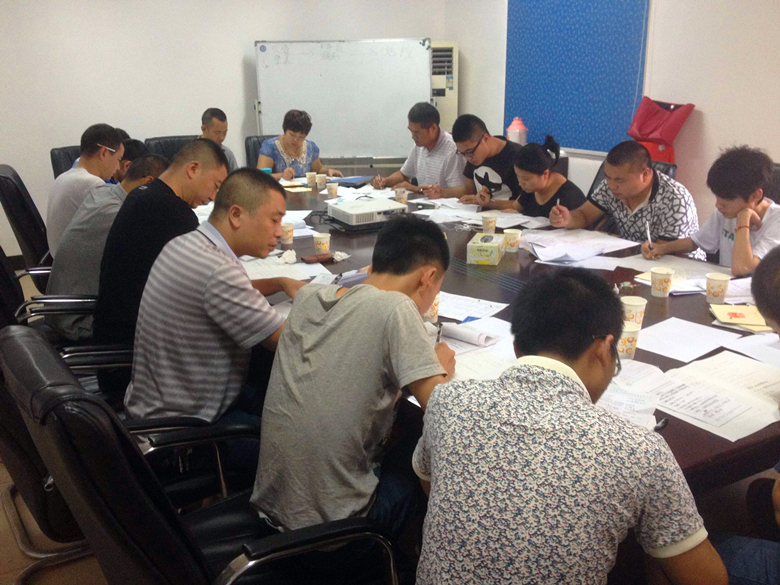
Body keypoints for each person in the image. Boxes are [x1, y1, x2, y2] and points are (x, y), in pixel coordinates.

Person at [413, 268, 728, 585]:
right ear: (603, 349)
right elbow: (708, 580)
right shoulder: (639, 451)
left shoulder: (447, 402)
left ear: (517, 348)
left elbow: (433, 485)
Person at [251, 215, 456, 547]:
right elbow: (447, 414)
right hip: (333, 538)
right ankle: (404, 560)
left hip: (270, 517)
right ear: (428, 277)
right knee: (416, 449)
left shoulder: (310, 297)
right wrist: (441, 369)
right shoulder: (397, 308)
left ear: (372, 267)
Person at [125, 169, 305, 466]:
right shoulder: (219, 271)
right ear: (236, 215)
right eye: (274, 220)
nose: (279, 231)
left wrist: (280, 282)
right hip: (186, 436)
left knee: (280, 394)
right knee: (305, 445)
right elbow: (286, 340)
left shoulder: (187, 244)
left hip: (157, 409)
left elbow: (221, 291)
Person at [93, 139, 228, 397]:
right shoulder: (173, 212)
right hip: (139, 361)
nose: (213, 197)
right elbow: (216, 286)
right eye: (215, 185)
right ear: (193, 169)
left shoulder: (143, 195)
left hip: (115, 339)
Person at [46, 154, 170, 340]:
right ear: (148, 183)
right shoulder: (121, 215)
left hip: (63, 308)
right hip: (80, 319)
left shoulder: (102, 194)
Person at [551, 141, 705, 259]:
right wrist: (568, 218)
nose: (612, 185)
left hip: (679, 270)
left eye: (620, 180)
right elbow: (585, 215)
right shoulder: (609, 186)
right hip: (631, 259)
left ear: (645, 174)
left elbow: (662, 251)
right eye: (608, 177)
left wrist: (618, 242)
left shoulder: (675, 199)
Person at [641, 146, 779, 276]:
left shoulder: (776, 221)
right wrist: (661, 248)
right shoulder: (725, 212)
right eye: (717, 198)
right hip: (725, 285)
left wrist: (743, 220)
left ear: (755, 196)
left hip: (756, 292)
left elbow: (742, 268)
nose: (718, 206)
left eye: (725, 201)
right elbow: (695, 242)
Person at [46, 123, 124, 256]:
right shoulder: (93, 184)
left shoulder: (62, 178)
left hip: (58, 260)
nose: (117, 168)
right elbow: (116, 228)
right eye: (118, 159)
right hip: (77, 263)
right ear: (104, 153)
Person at [473, 135, 585, 215]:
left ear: (545, 174)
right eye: (518, 177)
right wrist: (489, 203)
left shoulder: (569, 196)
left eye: (525, 179)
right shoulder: (530, 189)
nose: (520, 184)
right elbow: (515, 206)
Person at [372, 102, 464, 198]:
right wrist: (385, 181)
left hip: (444, 206)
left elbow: (459, 192)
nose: (413, 136)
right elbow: (403, 175)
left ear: (433, 128)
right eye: (411, 131)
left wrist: (415, 189)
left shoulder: (452, 150)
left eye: (417, 133)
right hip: (423, 203)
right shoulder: (419, 146)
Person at [449, 114, 526, 205]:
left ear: (485, 138)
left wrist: (489, 204)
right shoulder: (473, 154)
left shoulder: (517, 155)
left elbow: (526, 203)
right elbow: (469, 190)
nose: (467, 158)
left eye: (469, 152)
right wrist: (440, 192)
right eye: (462, 153)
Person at [256, 109, 343, 180]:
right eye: (292, 135)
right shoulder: (270, 147)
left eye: (301, 137)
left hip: (305, 193)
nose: (295, 140)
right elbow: (259, 176)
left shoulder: (310, 147)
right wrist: (281, 176)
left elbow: (319, 170)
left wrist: (328, 172)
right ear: (285, 130)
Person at [200, 107, 239, 172]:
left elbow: (236, 177)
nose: (221, 137)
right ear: (204, 129)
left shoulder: (227, 153)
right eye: (217, 132)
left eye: (224, 132)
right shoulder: (190, 152)